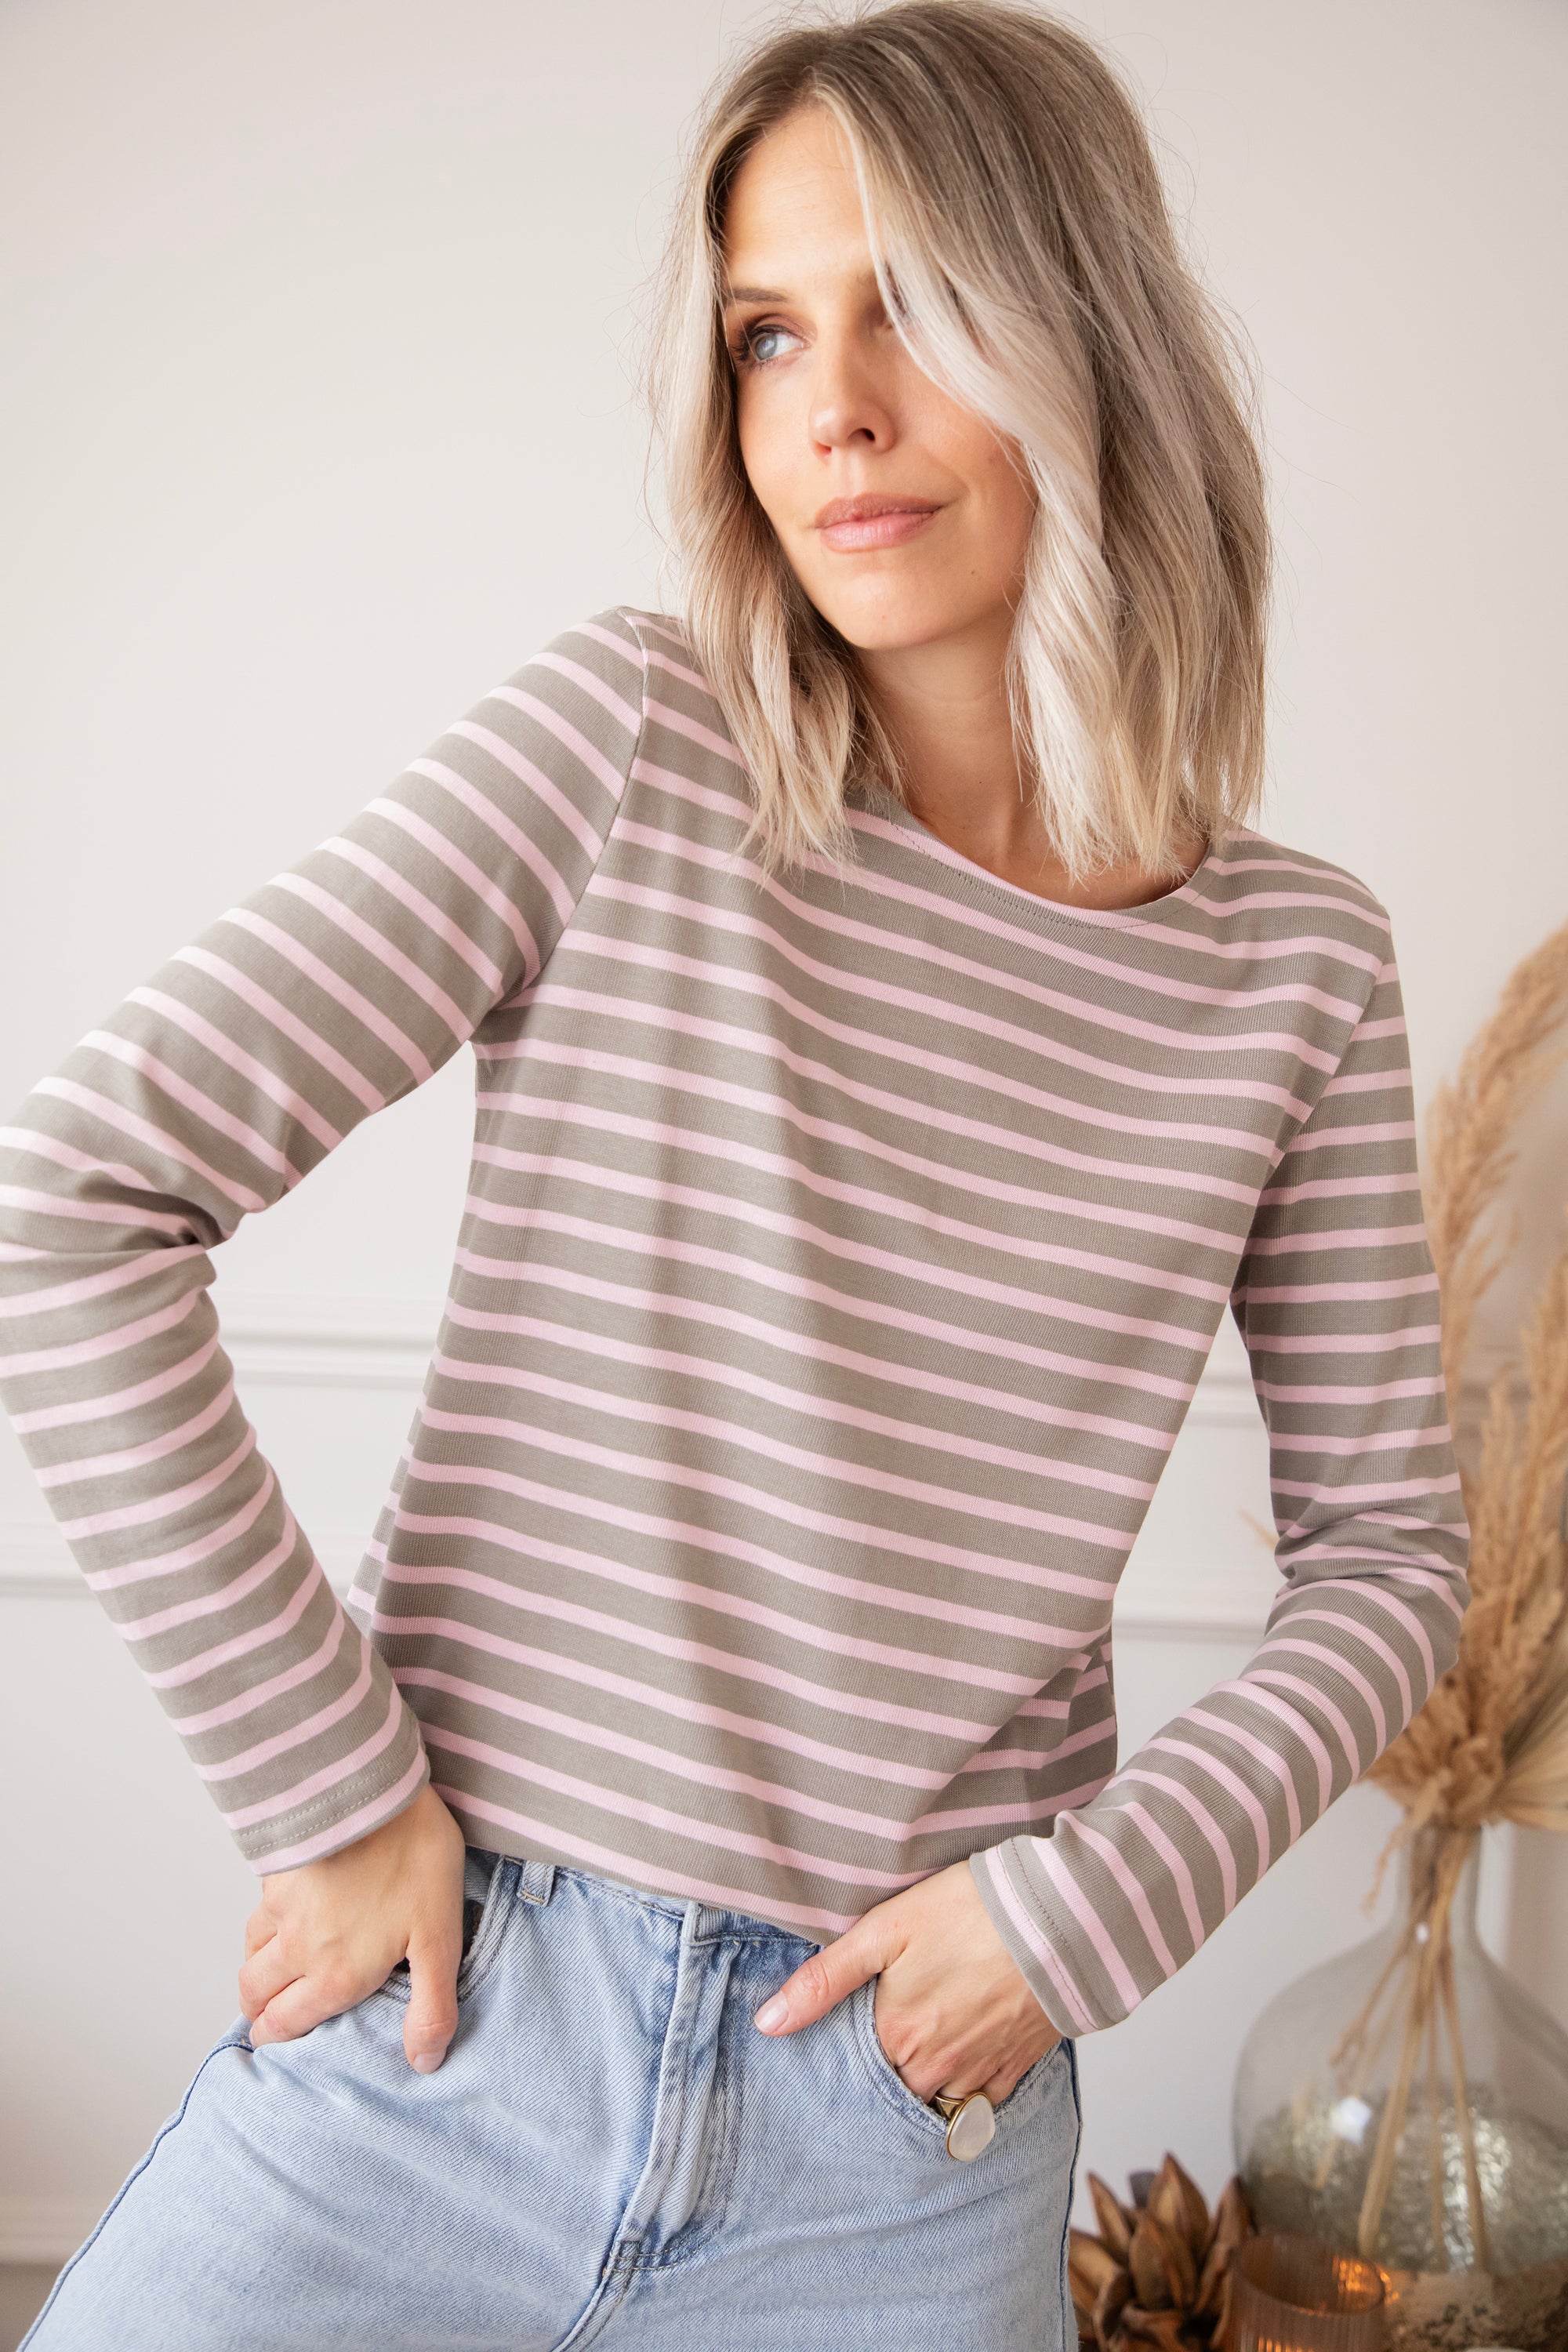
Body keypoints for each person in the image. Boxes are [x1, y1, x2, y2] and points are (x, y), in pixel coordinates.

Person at [0, 4, 1469, 2347]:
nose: (830, 412)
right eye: (768, 332)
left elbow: (1393, 1563)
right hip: (449, 2028)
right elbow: (73, 1200)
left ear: (1087, 329)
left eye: (912, 309)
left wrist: (1073, 1923)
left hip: (903, 2127)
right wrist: (334, 1791)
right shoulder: (633, 747)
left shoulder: (1297, 971)